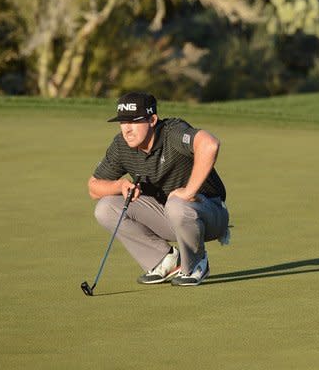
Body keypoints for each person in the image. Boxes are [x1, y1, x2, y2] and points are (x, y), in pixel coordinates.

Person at [88, 92, 230, 287]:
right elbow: (94, 187)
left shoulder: (173, 132)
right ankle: (166, 260)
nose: (127, 129)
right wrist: (120, 185)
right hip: (170, 217)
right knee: (106, 207)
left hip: (210, 214)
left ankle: (196, 263)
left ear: (152, 119)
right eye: (122, 122)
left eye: (134, 122)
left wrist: (188, 192)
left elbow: (210, 144)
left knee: (176, 204)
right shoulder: (122, 145)